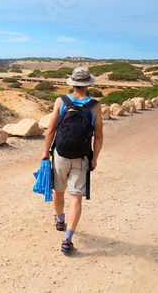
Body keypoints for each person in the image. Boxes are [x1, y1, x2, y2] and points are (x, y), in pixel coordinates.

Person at [40, 67, 103, 254]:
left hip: (61, 154)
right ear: (88, 85)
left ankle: (60, 219)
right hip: (82, 156)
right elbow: (98, 137)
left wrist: (46, 152)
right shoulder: (95, 106)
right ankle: (67, 239)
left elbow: (51, 130)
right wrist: (95, 158)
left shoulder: (61, 101)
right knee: (76, 198)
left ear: (73, 83)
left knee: (58, 190)